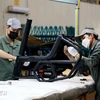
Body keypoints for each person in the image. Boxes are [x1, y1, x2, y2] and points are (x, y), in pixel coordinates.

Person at [64, 29, 100, 100]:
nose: (83, 41)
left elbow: (92, 62)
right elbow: (84, 71)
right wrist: (70, 56)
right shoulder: (91, 52)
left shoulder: (99, 46)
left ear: (91, 36)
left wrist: (77, 55)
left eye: (84, 38)